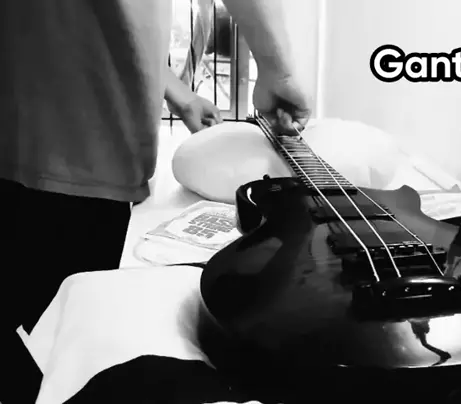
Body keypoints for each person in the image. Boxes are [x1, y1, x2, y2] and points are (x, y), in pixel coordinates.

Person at [0, 0, 312, 402]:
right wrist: (278, 71)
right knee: (51, 356)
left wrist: (179, 95)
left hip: (49, 141)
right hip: (70, 150)